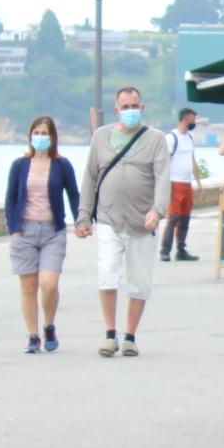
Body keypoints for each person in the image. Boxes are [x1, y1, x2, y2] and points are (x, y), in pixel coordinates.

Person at [74, 86, 168, 358]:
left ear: (143, 108)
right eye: (125, 106)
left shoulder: (155, 139)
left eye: (134, 106)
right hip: (107, 218)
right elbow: (90, 177)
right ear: (116, 110)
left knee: (139, 282)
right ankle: (109, 333)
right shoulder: (101, 137)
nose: (130, 111)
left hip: (141, 222)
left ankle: (130, 336)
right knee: (107, 274)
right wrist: (83, 215)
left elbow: (163, 177)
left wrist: (157, 210)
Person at [4, 115, 80, 354]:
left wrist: (81, 220)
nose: (40, 137)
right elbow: (10, 198)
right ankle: (33, 335)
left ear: (53, 137)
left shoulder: (61, 164)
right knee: (28, 287)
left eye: (44, 133)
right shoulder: (19, 165)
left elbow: (74, 195)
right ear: (30, 136)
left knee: (48, 283)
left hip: (52, 231)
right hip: (24, 230)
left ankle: (49, 324)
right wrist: (13, 228)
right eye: (36, 133)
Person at [160, 107, 204, 263]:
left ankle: (181, 249)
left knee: (185, 218)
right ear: (185, 119)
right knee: (173, 217)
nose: (194, 122)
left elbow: (192, 160)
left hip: (186, 183)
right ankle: (165, 250)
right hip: (174, 183)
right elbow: (164, 161)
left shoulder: (190, 138)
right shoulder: (172, 138)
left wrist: (198, 182)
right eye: (193, 120)